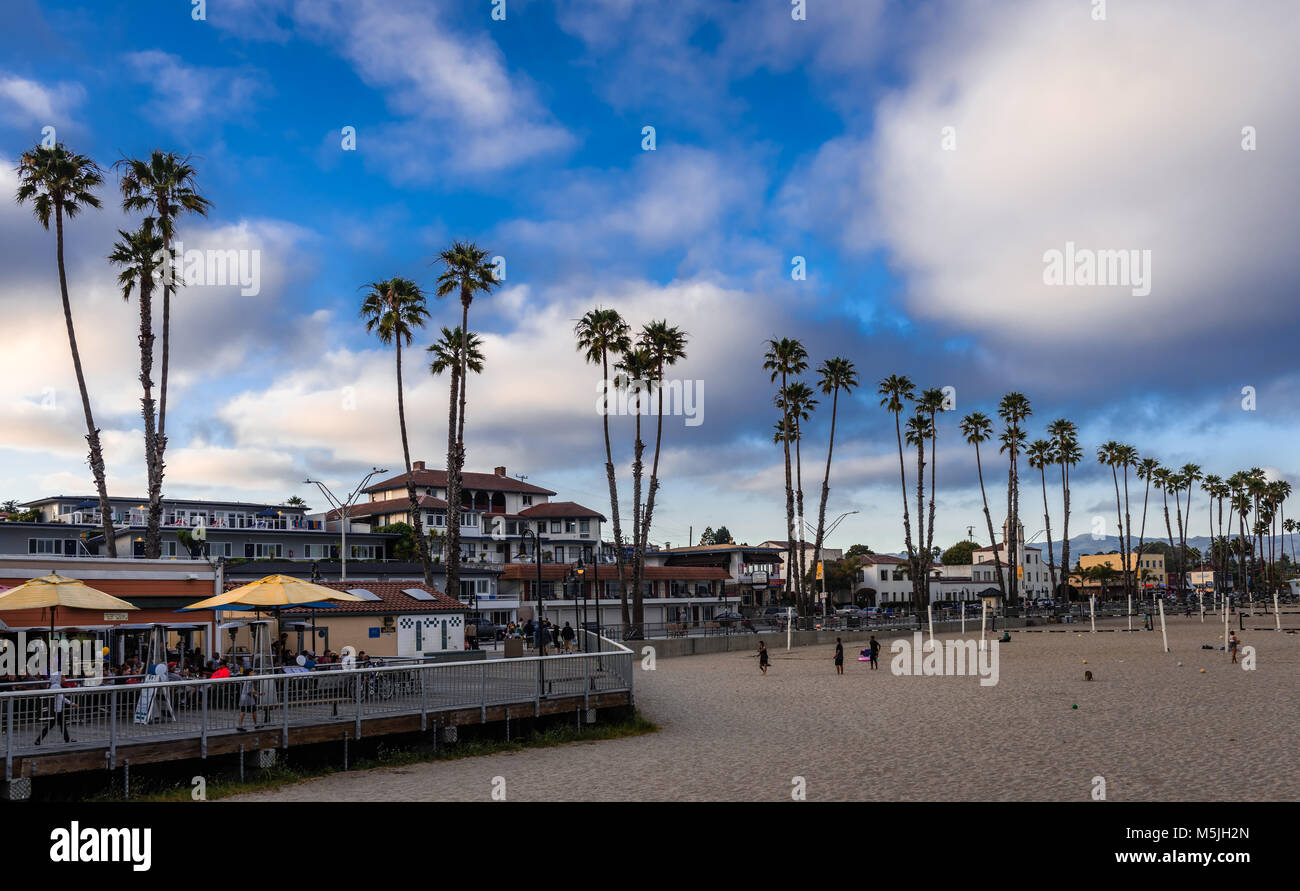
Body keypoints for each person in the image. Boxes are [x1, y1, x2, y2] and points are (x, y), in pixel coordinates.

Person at [32, 671, 74, 745]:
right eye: (62, 677)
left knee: (60, 725)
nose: (64, 678)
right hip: (56, 710)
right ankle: (38, 740)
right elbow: (61, 697)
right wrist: (72, 703)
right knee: (53, 726)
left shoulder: (55, 685)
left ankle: (67, 740)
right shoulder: (56, 686)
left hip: (57, 709)